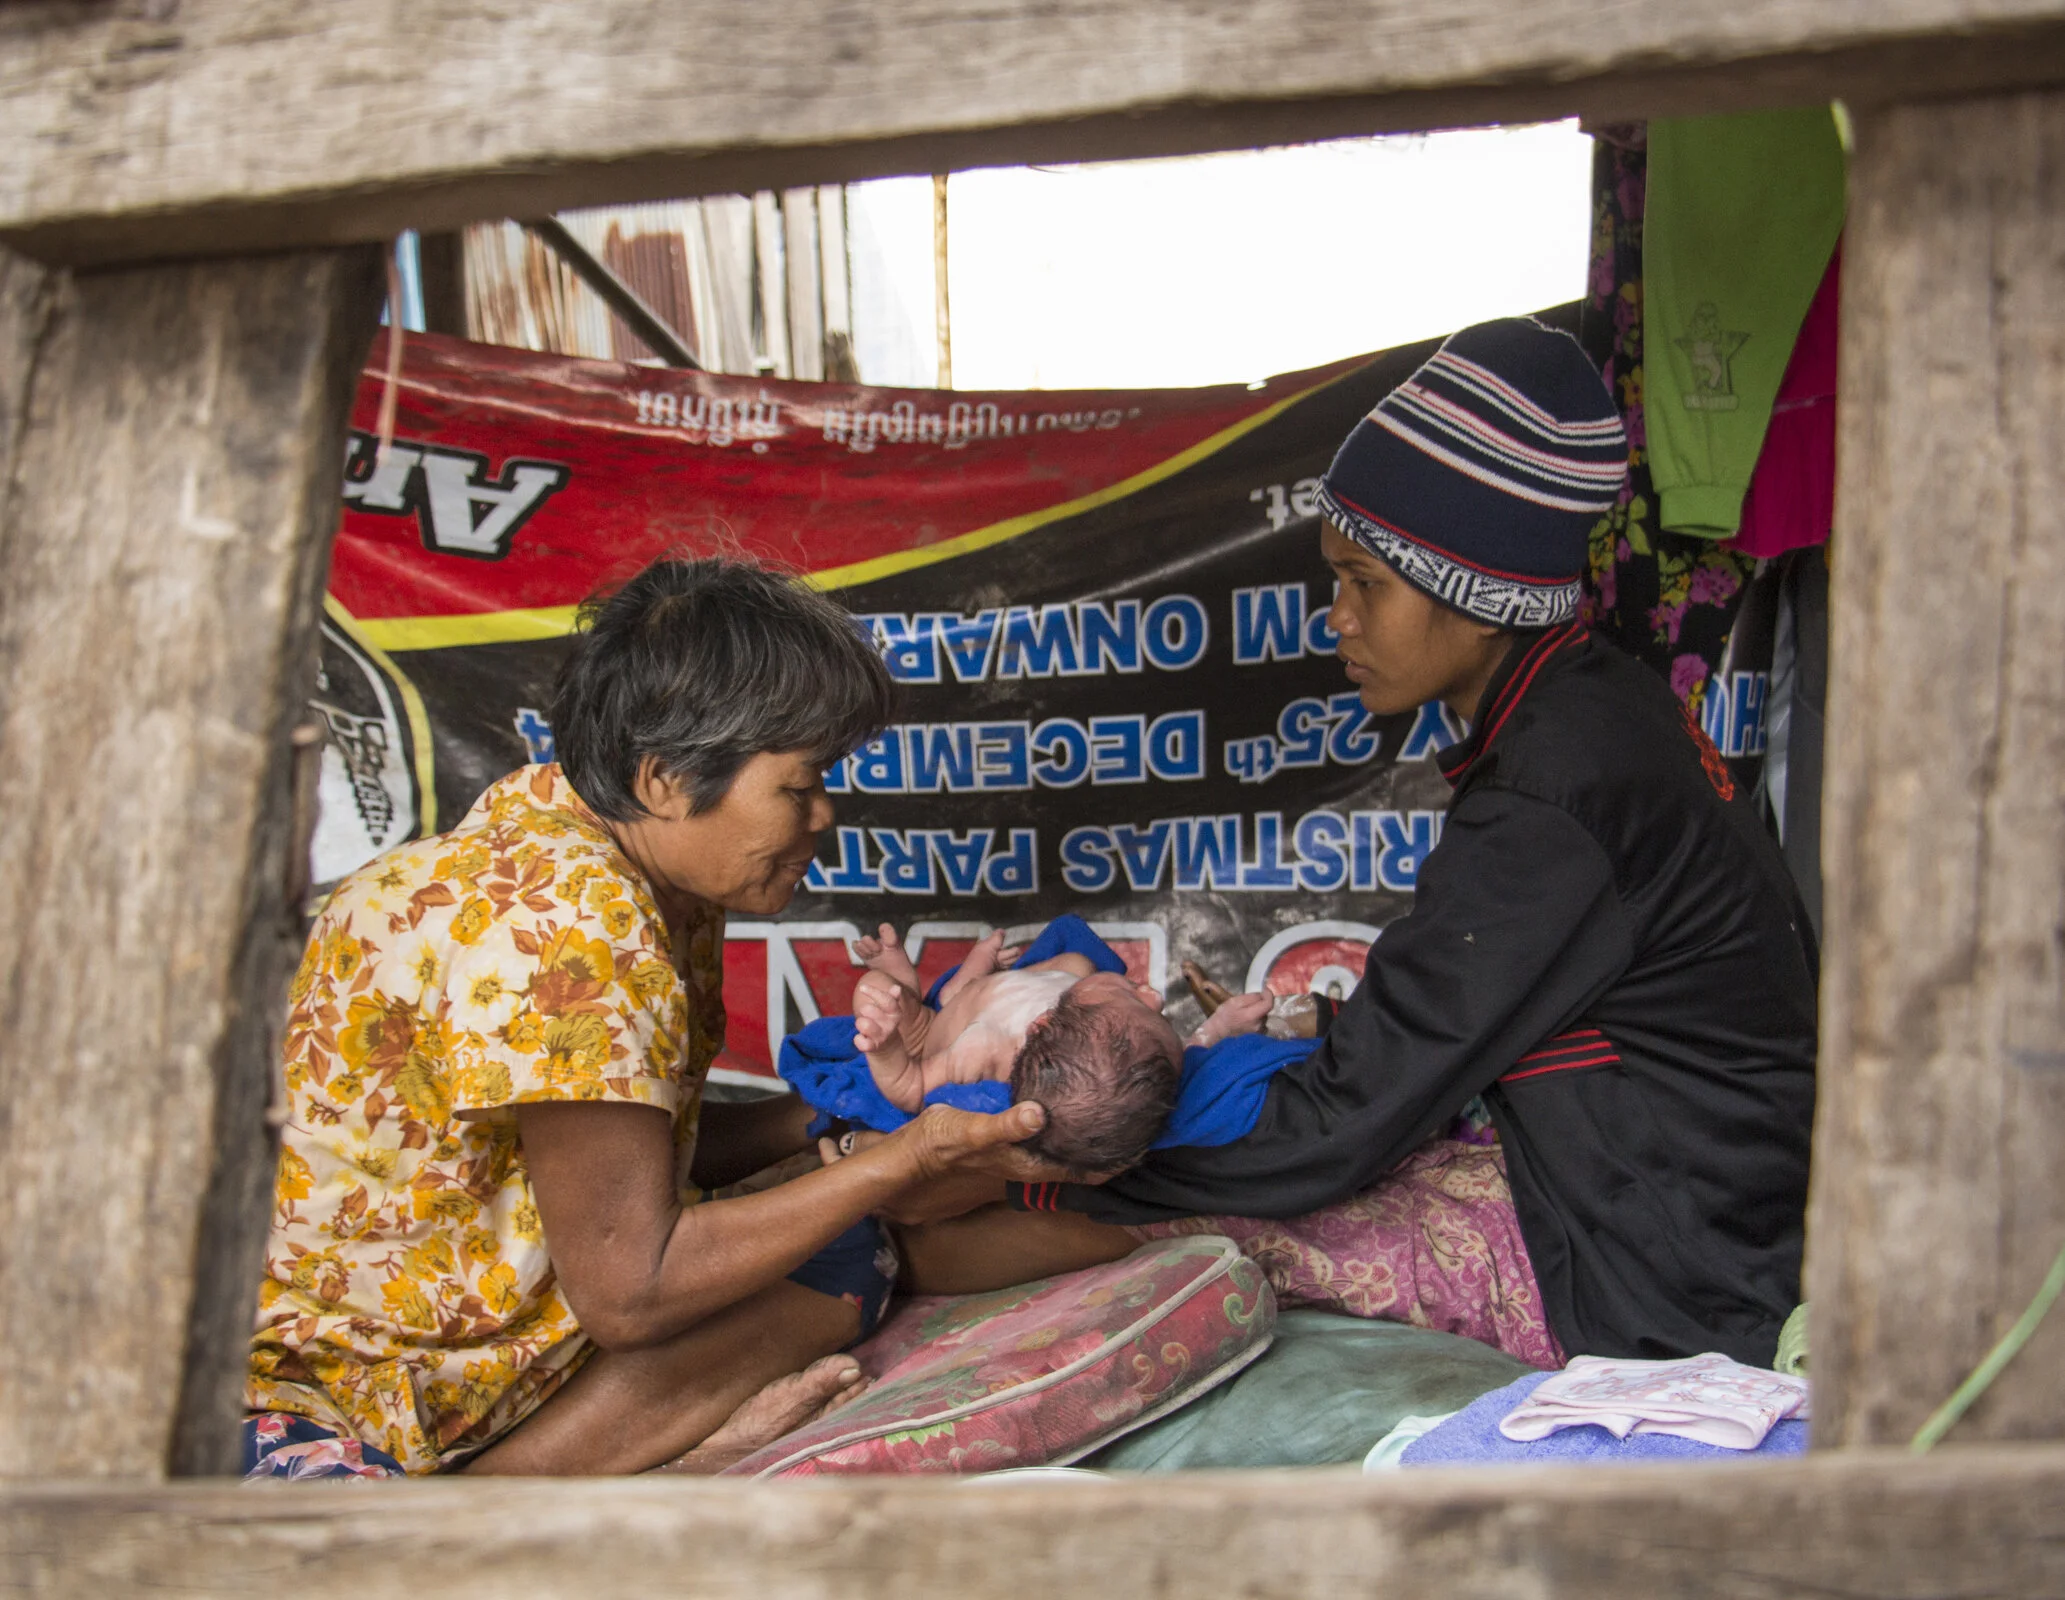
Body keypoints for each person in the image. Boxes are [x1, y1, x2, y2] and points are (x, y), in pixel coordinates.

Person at [899, 318, 1819, 1372]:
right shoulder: (1590, 713)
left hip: (1675, 1263)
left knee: (1144, 1219)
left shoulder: (1555, 790)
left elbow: (1338, 1126)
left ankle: (888, 1253)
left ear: (1475, 596)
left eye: (1364, 583)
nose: (1334, 616)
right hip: (1701, 1181)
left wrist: (1036, 1168)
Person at [245, 556, 1047, 1478]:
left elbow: (614, 1163)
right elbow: (631, 1291)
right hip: (342, 1393)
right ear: (665, 779)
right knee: (844, 1258)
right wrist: (910, 1156)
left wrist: (845, 1103)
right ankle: (496, 1497)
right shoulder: (580, 927)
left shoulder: (563, 850)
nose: (825, 815)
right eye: (798, 786)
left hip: (384, 1314)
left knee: (832, 1243)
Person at [784, 917, 1275, 1179]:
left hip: (931, 1032)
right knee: (1079, 961)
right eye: (1148, 1003)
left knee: (877, 993)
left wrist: (887, 1048)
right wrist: (1218, 1028)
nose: (1154, 994)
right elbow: (1179, 1061)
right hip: (982, 991)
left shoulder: (984, 1049)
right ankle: (947, 984)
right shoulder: (1079, 999)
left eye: (1135, 998)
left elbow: (910, 1089)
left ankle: (901, 986)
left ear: (1042, 1023)